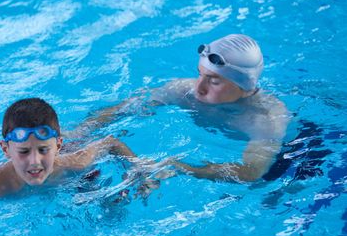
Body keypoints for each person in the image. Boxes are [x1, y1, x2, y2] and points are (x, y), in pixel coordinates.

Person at [73, 34, 290, 182]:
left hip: (289, 157)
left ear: (245, 86)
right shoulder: (183, 90)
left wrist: (184, 168)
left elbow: (252, 171)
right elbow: (126, 108)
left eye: (214, 81)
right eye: (199, 74)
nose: (199, 88)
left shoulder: (265, 118)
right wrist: (80, 133)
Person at [0, 97, 149, 215]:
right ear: (6, 150)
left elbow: (110, 142)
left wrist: (140, 169)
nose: (35, 162)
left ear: (57, 146)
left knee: (84, 132)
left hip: (73, 152)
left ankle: (145, 100)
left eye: (43, 150)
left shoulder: (75, 162)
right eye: (24, 152)